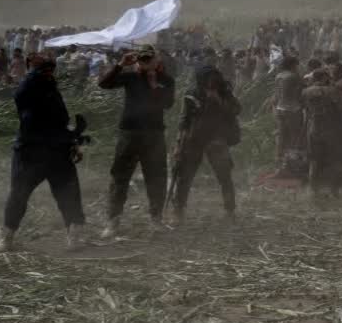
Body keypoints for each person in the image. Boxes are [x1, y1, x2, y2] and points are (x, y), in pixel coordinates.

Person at [0, 55, 87, 252]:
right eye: (45, 69)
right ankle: (6, 237)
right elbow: (27, 106)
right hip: (32, 152)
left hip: (56, 151)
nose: (48, 73)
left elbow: (59, 121)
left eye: (49, 69)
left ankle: (74, 236)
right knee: (19, 194)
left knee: (68, 194)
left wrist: (73, 140)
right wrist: (35, 73)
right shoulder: (29, 88)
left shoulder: (49, 88)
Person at [98, 46, 176, 238]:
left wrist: (154, 85)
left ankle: (156, 219)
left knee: (156, 177)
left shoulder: (166, 81)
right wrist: (120, 65)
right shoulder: (131, 77)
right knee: (119, 177)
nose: (145, 61)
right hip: (130, 132)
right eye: (142, 58)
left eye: (149, 58)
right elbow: (104, 84)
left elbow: (168, 104)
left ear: (157, 60)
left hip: (154, 134)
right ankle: (113, 222)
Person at [168, 65, 241, 225]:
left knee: (224, 176)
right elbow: (184, 119)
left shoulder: (224, 92)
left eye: (213, 79)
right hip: (194, 139)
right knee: (184, 177)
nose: (211, 82)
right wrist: (179, 144)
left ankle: (230, 211)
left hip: (217, 139)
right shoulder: (192, 93)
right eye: (207, 79)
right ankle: (178, 210)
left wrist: (218, 100)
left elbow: (236, 109)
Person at [302, 69, 342, 199]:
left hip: (313, 128)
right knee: (334, 160)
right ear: (325, 77)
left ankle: (313, 190)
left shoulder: (306, 91)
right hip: (330, 129)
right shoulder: (332, 90)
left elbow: (305, 110)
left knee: (314, 161)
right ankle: (334, 191)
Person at [273, 56, 306, 179]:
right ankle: (291, 167)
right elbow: (301, 91)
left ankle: (279, 166)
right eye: (296, 65)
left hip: (280, 109)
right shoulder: (294, 76)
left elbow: (276, 95)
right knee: (294, 138)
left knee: (281, 138)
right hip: (293, 109)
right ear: (293, 65)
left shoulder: (279, 76)